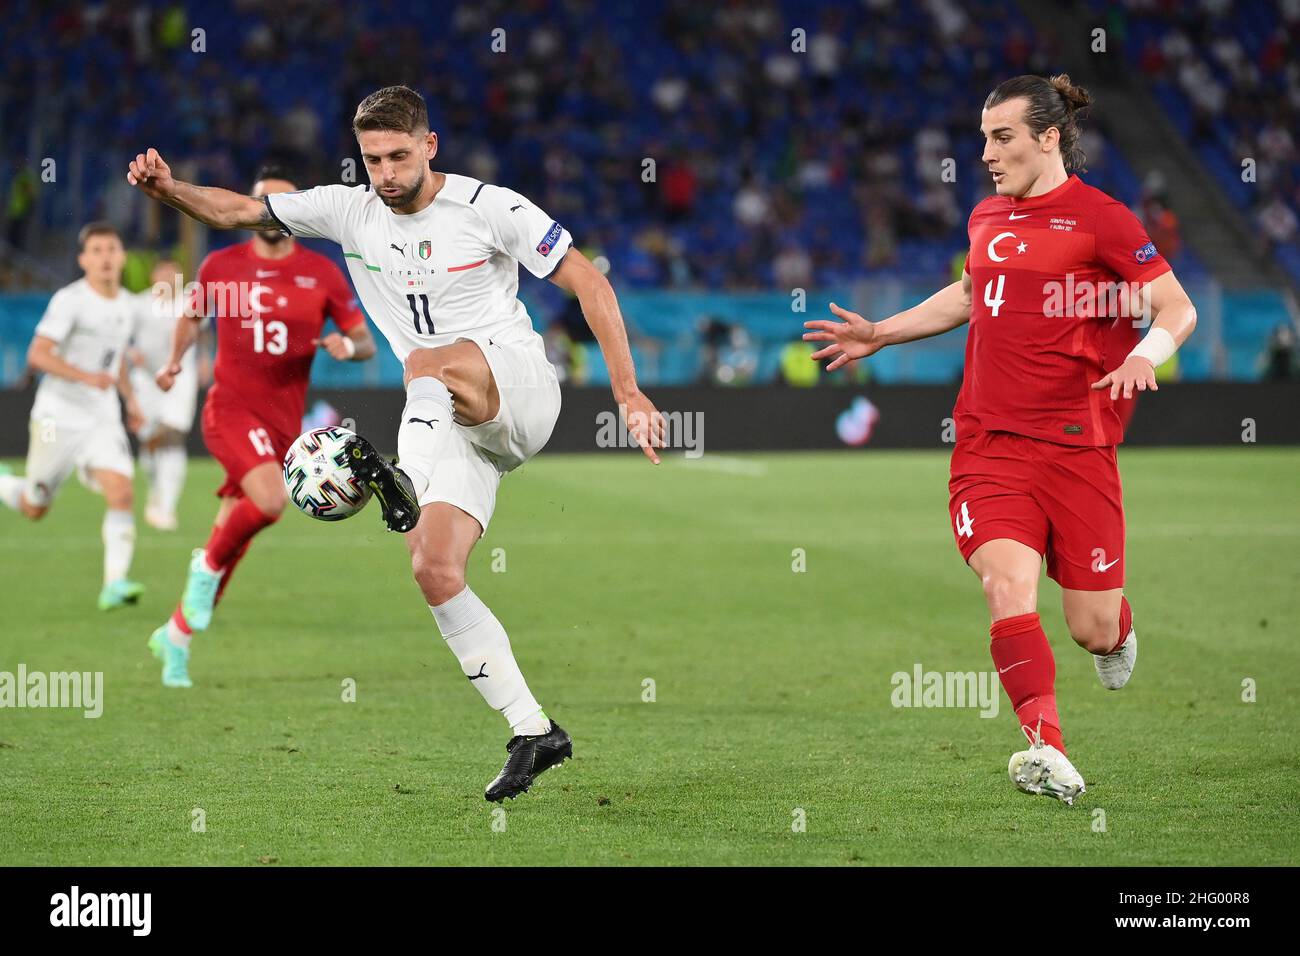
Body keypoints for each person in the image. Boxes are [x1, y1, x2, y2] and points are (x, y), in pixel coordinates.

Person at [126, 86, 665, 801]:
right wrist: (169, 191)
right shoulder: (349, 210)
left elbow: (588, 281)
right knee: (434, 569)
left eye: (398, 155)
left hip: (520, 387)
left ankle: (401, 476)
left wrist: (626, 392)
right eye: (372, 158)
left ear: (430, 145)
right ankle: (534, 729)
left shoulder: (490, 207)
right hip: (460, 427)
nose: (384, 172)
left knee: (424, 360)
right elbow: (238, 210)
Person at [804, 75, 1197, 804]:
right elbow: (968, 290)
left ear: (1048, 137)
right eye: (984, 137)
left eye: (1003, 136)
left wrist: (1146, 354)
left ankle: (1117, 629)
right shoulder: (987, 215)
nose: (986, 152)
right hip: (990, 446)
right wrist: (880, 333)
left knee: (1092, 628)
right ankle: (1046, 746)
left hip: (1078, 450)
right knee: (1006, 586)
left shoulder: (1102, 221)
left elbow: (1177, 306)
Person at [144, 166, 376, 689]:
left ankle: (175, 638)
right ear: (249, 205)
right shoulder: (222, 264)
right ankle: (201, 574)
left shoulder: (323, 274)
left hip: (284, 425)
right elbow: (192, 316)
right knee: (270, 501)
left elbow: (362, 341)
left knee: (233, 536)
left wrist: (348, 346)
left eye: (284, 203)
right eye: (264, 201)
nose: (273, 212)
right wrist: (175, 362)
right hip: (229, 409)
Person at [0, 222, 147, 610]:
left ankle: (115, 583)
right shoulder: (71, 300)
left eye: (111, 249)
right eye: (96, 251)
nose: (105, 257)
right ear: (83, 260)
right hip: (55, 418)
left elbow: (115, 364)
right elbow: (38, 354)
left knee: (122, 491)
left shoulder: (128, 305)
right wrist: (85, 377)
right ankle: (4, 484)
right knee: (35, 505)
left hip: (101, 418)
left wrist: (130, 401)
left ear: (122, 256)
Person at [130, 256, 201, 531]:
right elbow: (123, 336)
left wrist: (205, 358)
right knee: (150, 441)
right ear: (153, 278)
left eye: (174, 273)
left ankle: (167, 507)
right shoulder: (139, 304)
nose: (169, 278)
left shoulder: (190, 300)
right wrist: (130, 353)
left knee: (173, 435)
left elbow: (200, 332)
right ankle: (155, 489)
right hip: (146, 379)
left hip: (180, 376)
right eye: (164, 273)